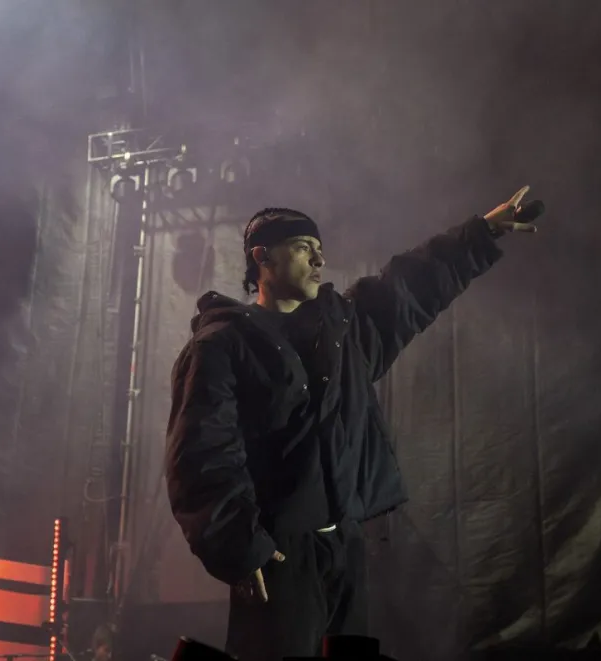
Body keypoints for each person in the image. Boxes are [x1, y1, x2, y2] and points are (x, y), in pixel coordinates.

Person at [165, 187, 539, 660]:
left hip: (346, 548)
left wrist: (480, 233)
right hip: (281, 555)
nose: (318, 260)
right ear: (262, 256)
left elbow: (409, 287)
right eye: (304, 248)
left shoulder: (343, 332)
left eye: (321, 251)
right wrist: (240, 548)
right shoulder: (223, 345)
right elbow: (202, 453)